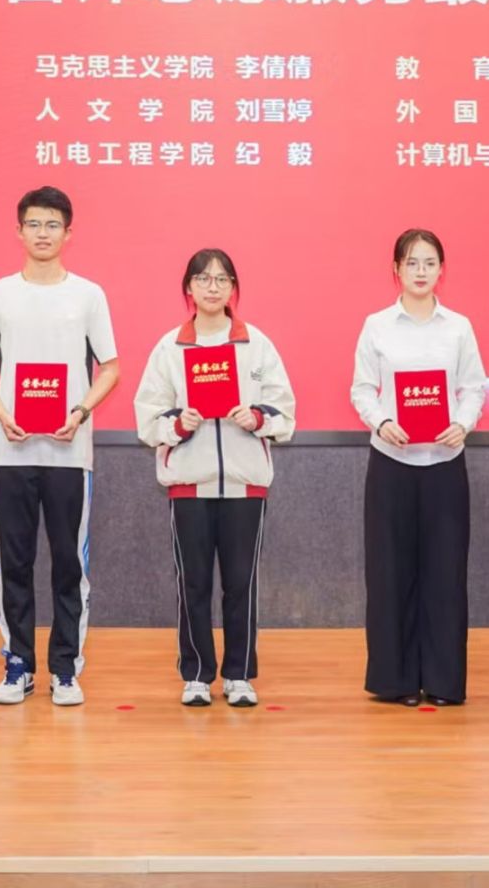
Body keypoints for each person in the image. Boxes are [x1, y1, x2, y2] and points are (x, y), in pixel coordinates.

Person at [0, 186, 120, 706]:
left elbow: (111, 368)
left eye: (52, 224)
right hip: (11, 452)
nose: (42, 233)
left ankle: (65, 668)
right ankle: (18, 665)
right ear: (19, 231)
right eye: (33, 224)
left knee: (68, 564)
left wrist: (80, 412)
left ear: (68, 233)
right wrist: (1, 412)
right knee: (13, 563)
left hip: (69, 454)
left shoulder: (88, 295)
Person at [133, 249, 296, 708]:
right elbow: (148, 419)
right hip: (189, 483)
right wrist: (178, 424)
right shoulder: (170, 348)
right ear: (188, 287)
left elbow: (285, 412)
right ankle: (197, 675)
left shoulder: (256, 344)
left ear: (233, 288)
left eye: (222, 279)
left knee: (242, 583)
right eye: (203, 278)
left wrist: (256, 418)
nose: (212, 287)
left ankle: (239, 676)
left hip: (246, 484)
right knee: (194, 584)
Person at [351, 229, 486, 706]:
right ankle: (397, 680)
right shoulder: (377, 326)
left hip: (444, 462)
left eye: (430, 263)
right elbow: (362, 389)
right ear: (396, 270)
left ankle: (444, 682)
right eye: (412, 263)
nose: (421, 271)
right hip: (392, 463)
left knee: (445, 573)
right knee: (390, 572)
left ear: (441, 269)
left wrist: (462, 423)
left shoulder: (458, 327)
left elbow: (473, 387)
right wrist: (382, 421)